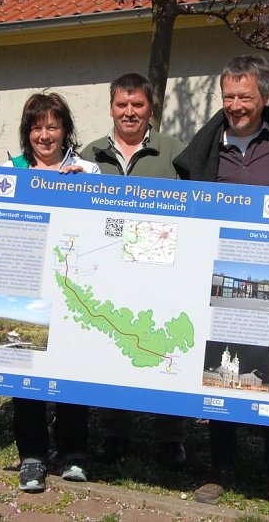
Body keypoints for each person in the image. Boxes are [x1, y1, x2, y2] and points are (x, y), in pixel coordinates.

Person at [173, 55, 269, 513]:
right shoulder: (206, 149)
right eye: (228, 96)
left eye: (245, 96)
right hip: (218, 278)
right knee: (219, 369)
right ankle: (220, 466)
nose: (235, 105)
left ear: (264, 97)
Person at [80, 73, 188, 468]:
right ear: (111, 108)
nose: (129, 113)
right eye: (122, 105)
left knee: (163, 346)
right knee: (115, 342)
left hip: (161, 270)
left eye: (137, 105)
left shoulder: (176, 152)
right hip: (108, 271)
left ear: (150, 109)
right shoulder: (88, 155)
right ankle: (115, 432)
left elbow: (198, 210)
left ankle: (170, 437)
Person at [0, 92, 100, 492]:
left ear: (65, 131)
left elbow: (102, 228)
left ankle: (74, 452)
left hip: (73, 288)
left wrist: (85, 195)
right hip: (26, 288)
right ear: (27, 133)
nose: (45, 135)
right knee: (27, 373)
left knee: (70, 369)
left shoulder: (87, 171)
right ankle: (33, 455)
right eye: (37, 127)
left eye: (53, 126)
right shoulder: (11, 171)